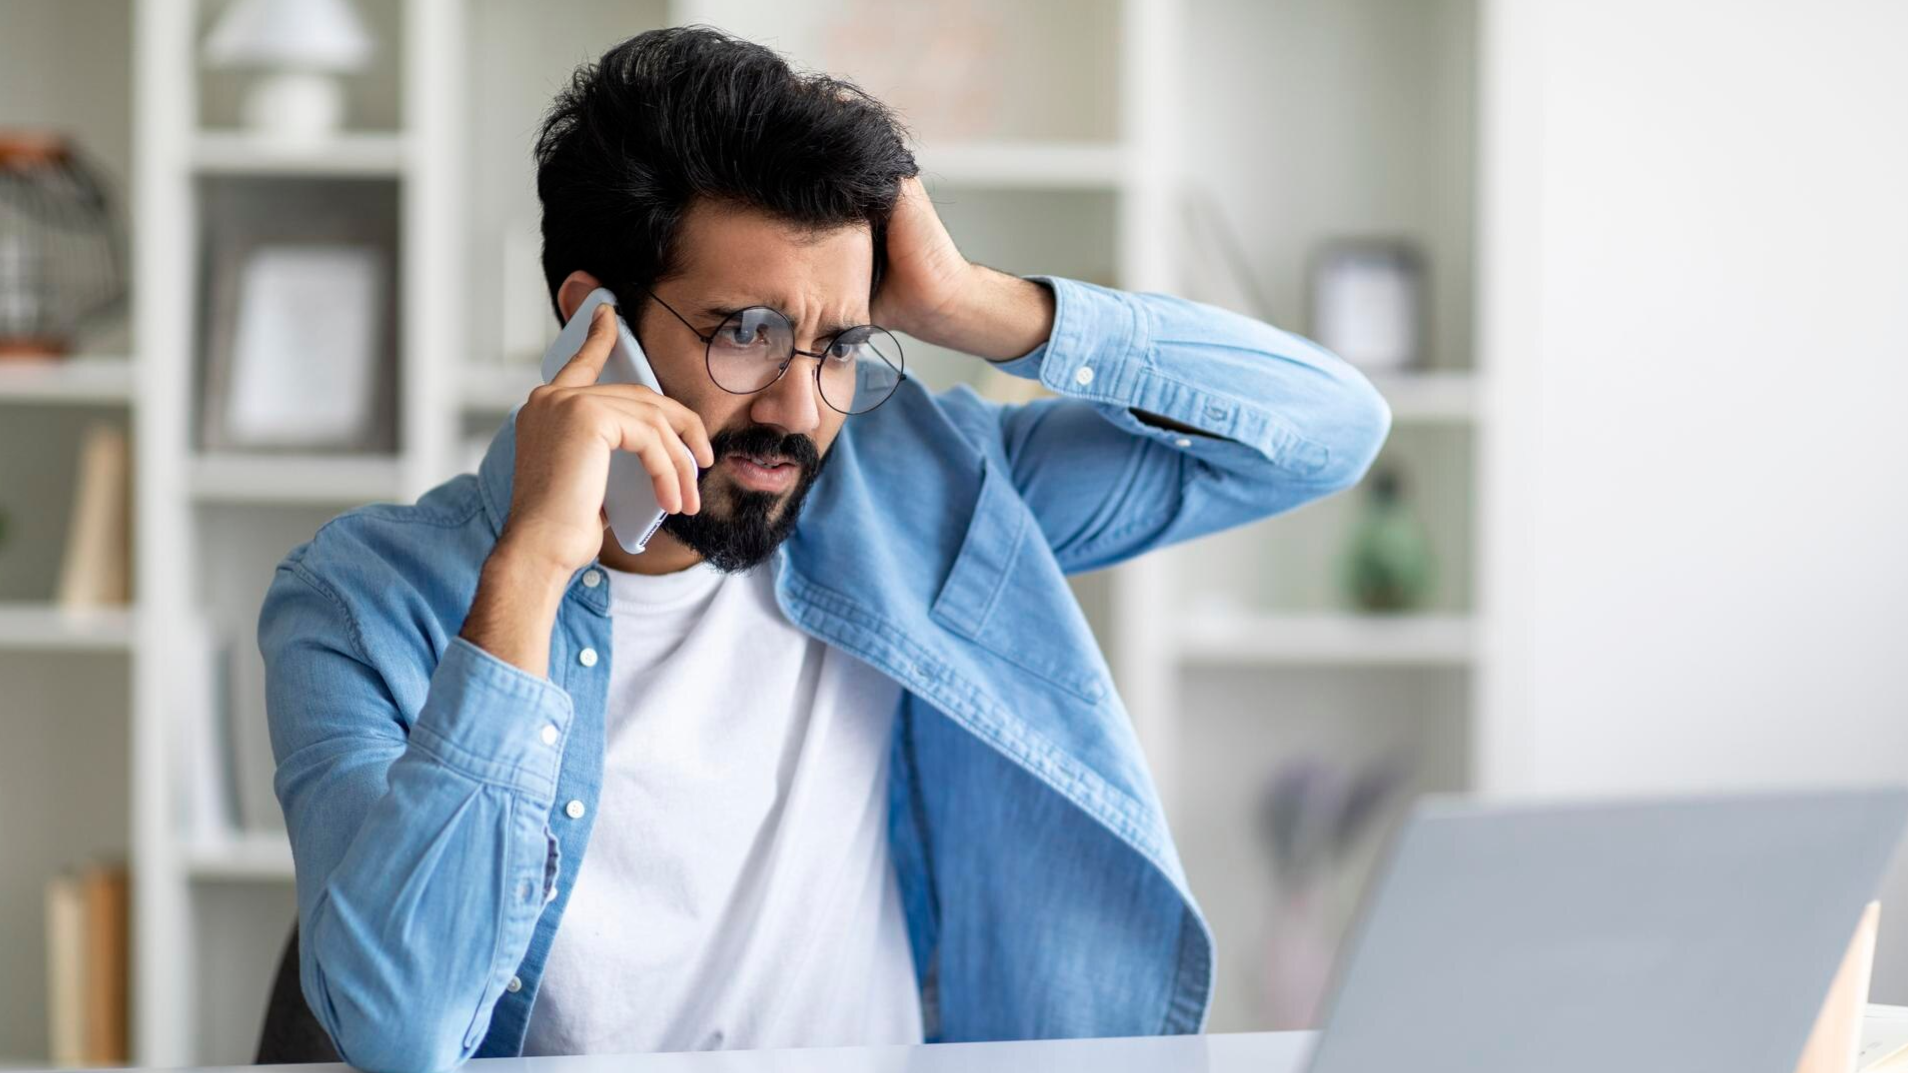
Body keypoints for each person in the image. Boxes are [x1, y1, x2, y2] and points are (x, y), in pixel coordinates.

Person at [258, 24, 1392, 1073]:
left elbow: (1326, 433)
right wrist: (526, 575)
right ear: (589, 320)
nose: (804, 408)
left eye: (841, 342)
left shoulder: (915, 488)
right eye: (747, 332)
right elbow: (397, 1027)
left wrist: (971, 302)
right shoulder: (359, 602)